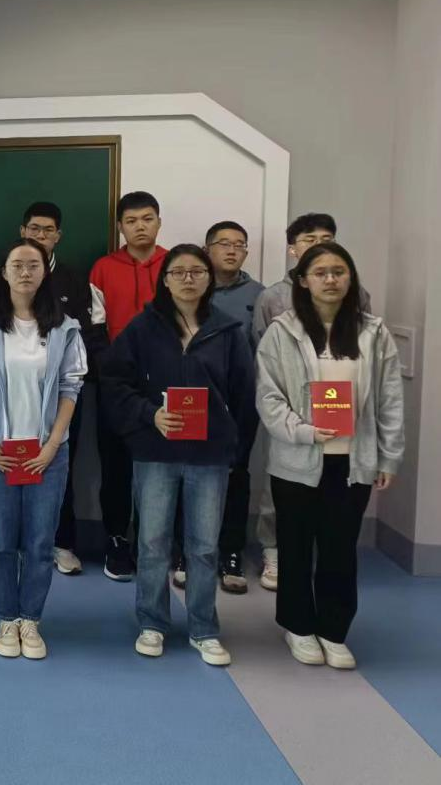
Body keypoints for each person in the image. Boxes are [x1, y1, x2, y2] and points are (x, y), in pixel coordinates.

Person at [102, 244, 255, 667]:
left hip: (210, 456)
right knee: (152, 543)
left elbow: (245, 395)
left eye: (197, 272)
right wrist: (149, 415)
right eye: (178, 272)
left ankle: (204, 628)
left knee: (203, 546)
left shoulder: (227, 331)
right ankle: (152, 622)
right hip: (156, 453)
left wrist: (234, 447)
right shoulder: (142, 328)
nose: (188, 279)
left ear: (209, 279)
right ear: (165, 281)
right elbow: (115, 382)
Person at [256, 242, 403, 670]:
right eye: (320, 272)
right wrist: (303, 431)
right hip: (297, 459)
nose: (331, 280)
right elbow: (268, 397)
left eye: (339, 271)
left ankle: (334, 631)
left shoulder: (373, 332)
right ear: (303, 280)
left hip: (353, 460)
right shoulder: (282, 331)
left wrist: (389, 457)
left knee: (340, 548)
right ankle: (298, 626)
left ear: (350, 278)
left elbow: (389, 399)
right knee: (296, 546)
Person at [0, 240, 87, 659]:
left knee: (39, 542)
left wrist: (52, 445)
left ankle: (30, 620)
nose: (24, 272)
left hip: (46, 453)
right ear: (3, 271)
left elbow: (71, 387)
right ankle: (7, 619)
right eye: (16, 264)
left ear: (44, 272)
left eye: (33, 264)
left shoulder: (65, 326)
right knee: (0, 541)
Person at [251, 213, 372, 592]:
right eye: (309, 239)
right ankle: (273, 548)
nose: (318, 245)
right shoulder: (272, 297)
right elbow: (262, 354)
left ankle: (327, 563)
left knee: (338, 494)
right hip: (292, 411)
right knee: (282, 483)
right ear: (293, 249)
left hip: (343, 415)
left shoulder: (358, 296)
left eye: (326, 238)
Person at [20, 201, 107, 577]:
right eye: (34, 229)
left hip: (66, 392)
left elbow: (90, 336)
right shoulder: (9, 273)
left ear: (58, 236)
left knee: (60, 463)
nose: (40, 235)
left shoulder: (75, 281)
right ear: (23, 232)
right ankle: (21, 541)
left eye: (48, 230)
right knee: (17, 460)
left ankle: (62, 542)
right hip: (18, 389)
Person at [179, 220, 263, 595]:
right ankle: (184, 553)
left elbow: (264, 350)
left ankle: (230, 552)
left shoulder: (259, 295)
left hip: (237, 402)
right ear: (207, 249)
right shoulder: (189, 288)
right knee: (185, 475)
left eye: (239, 245)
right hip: (191, 401)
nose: (232, 250)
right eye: (223, 243)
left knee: (235, 475)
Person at [89, 191, 168, 582]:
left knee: (163, 467)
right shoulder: (103, 268)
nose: (140, 227)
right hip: (117, 385)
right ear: (120, 226)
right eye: (132, 220)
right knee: (115, 465)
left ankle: (159, 543)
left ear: (159, 222)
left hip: (165, 383)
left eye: (147, 219)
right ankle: (117, 540)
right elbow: (96, 328)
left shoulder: (174, 264)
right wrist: (113, 372)